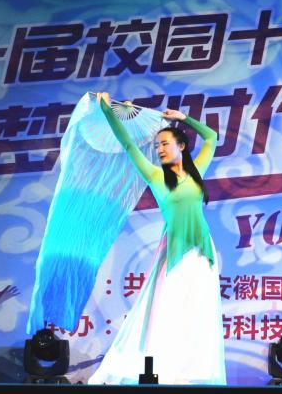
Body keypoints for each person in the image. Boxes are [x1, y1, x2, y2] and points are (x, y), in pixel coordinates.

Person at [87, 92, 226, 385]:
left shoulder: (196, 171)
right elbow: (128, 144)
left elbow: (211, 137)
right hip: (175, 252)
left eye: (165, 144)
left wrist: (184, 118)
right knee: (168, 313)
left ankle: (190, 374)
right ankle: (165, 373)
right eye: (157, 145)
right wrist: (107, 109)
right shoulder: (155, 176)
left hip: (203, 252)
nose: (160, 149)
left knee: (198, 314)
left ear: (181, 146)